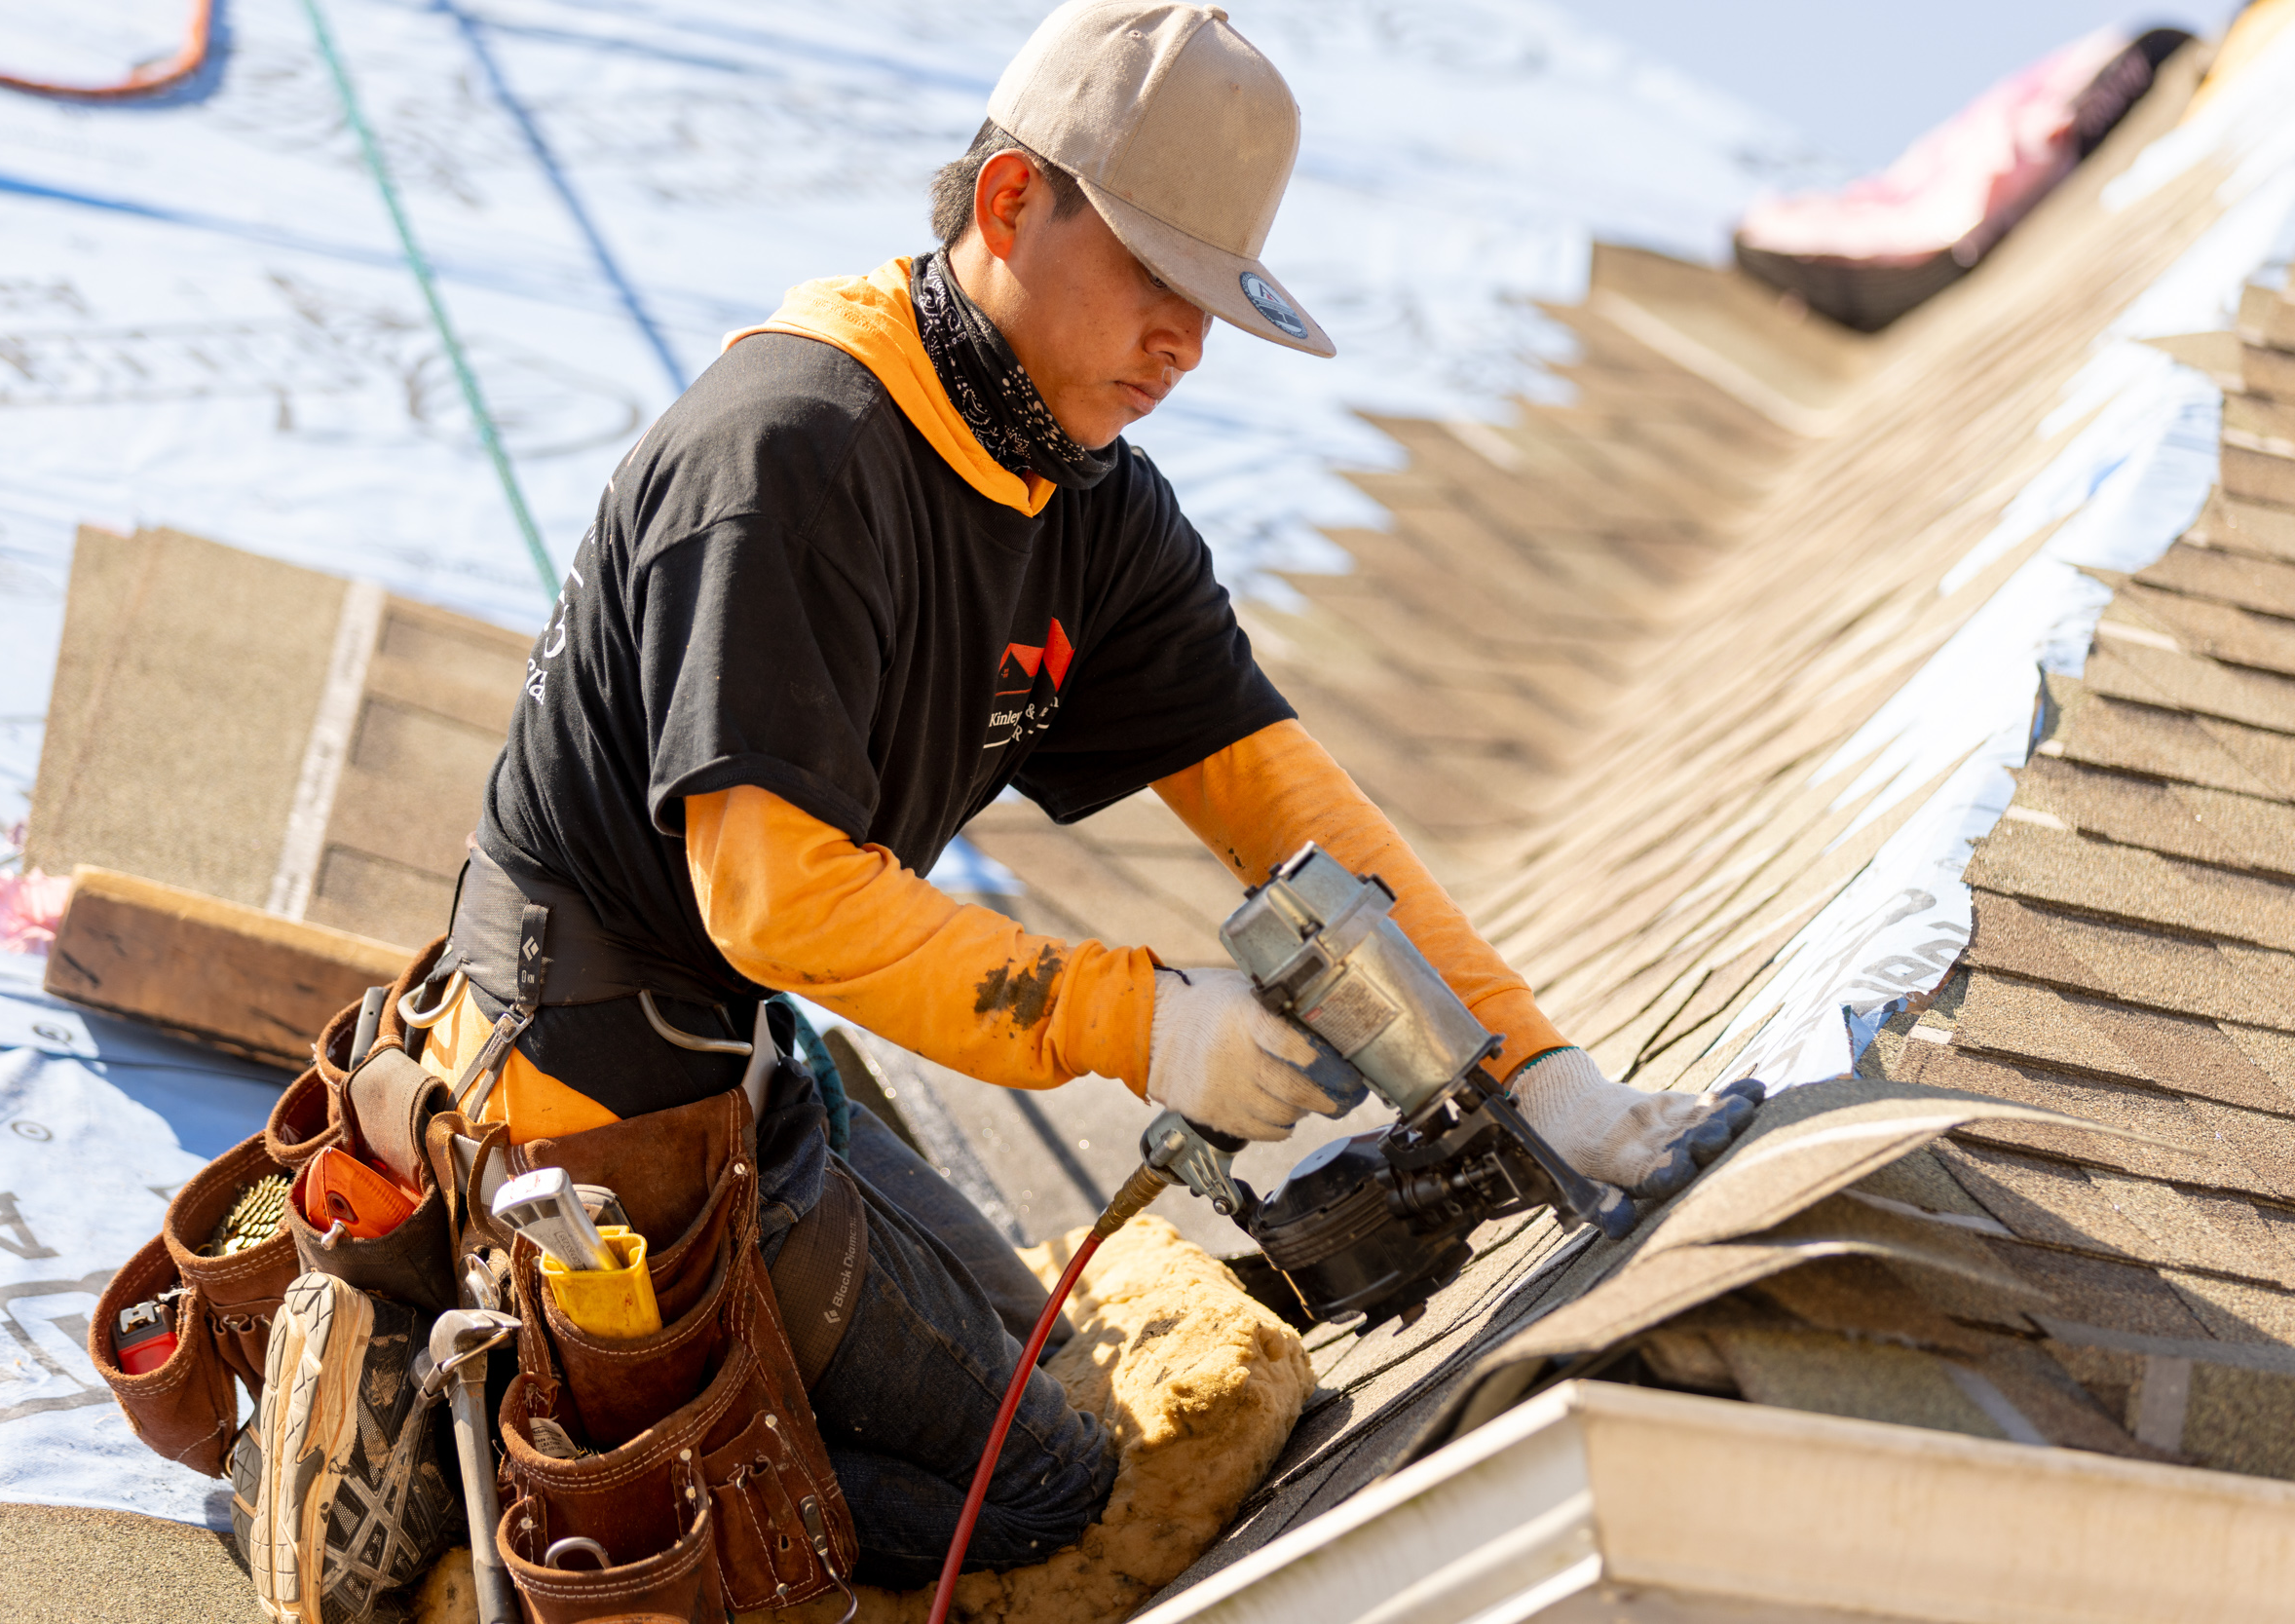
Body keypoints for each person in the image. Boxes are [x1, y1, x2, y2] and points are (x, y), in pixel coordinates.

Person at [240, 2, 1764, 1612]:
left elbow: (1279, 798)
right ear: (1008, 202)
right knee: (1034, 1481)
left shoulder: (1075, 487)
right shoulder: (789, 456)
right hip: (585, 1107)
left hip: (739, 1075)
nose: (1183, 341)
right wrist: (1145, 1023)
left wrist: (1535, 1066)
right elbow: (773, 897)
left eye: (1211, 302)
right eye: (1153, 280)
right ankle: (462, 1437)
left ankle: (636, 1397)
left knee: (1043, 1392)